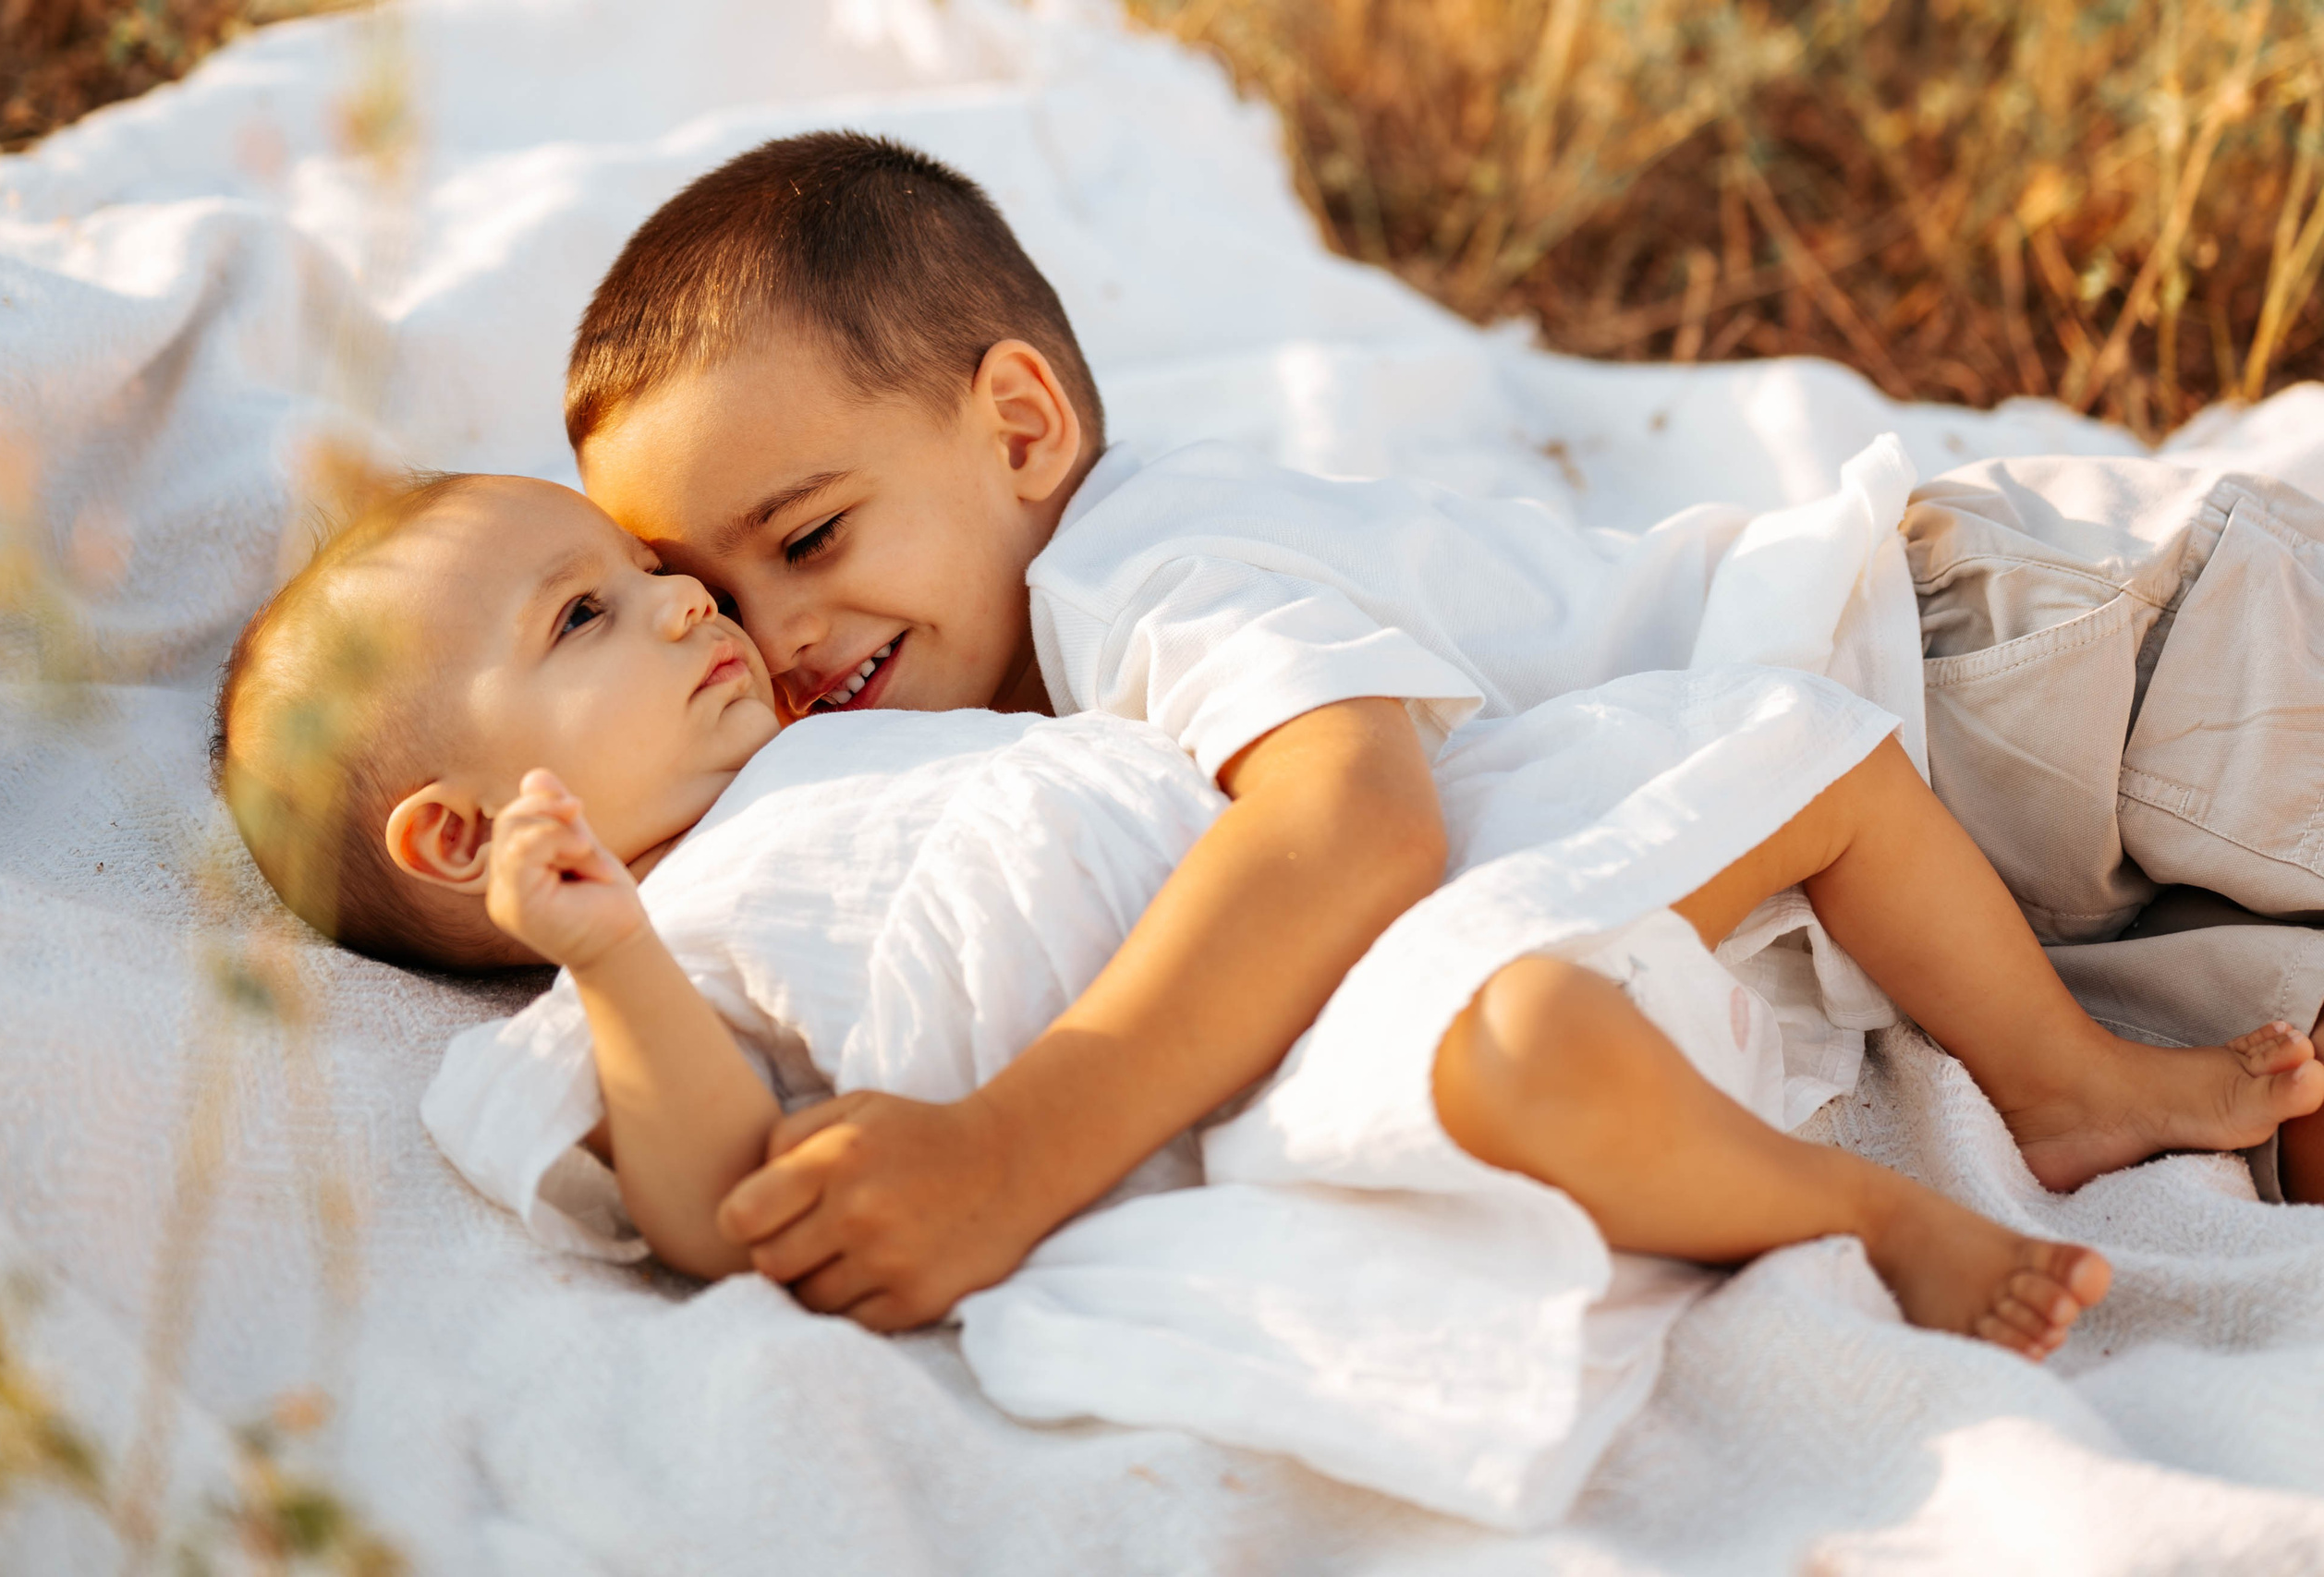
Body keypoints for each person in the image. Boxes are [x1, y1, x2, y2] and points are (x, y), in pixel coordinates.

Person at [556, 129, 2324, 1336]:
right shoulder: (1016, 687)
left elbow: (1351, 826)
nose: (769, 636)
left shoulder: (1142, 566)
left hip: (2013, 666)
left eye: (808, 540)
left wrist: (1020, 1147)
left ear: (1019, 430)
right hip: (1943, 859)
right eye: (701, 589)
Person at [213, 470, 2323, 1359]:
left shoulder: (894, 723)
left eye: (655, 569)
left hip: (1351, 911)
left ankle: (2061, 1078)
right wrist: (605, 954)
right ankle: (1872, 1217)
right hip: (1303, 1066)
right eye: (588, 614)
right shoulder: (659, 937)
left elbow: (1309, 806)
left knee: (1794, 739)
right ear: (458, 836)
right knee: (1518, 1049)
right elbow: (708, 1195)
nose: (695, 607)